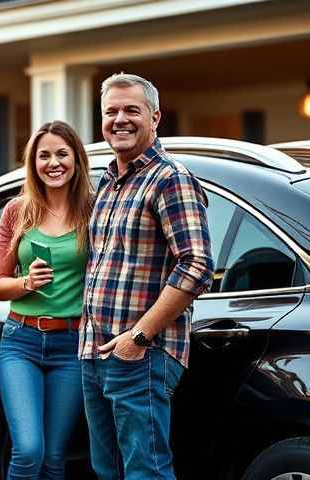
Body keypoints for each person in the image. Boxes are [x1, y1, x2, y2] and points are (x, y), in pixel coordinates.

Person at [80, 73, 214, 479]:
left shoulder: (169, 178)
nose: (120, 119)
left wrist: (138, 338)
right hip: (95, 351)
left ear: (155, 117)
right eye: (111, 111)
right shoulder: (108, 181)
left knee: (146, 472)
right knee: (110, 471)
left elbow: (197, 264)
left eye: (131, 110)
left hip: (141, 355)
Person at [0, 120, 94, 479]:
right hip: (21, 342)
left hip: (72, 344)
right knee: (28, 450)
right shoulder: (17, 211)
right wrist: (27, 283)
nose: (54, 163)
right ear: (33, 163)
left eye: (62, 154)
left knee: (54, 457)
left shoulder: (93, 211)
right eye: (44, 155)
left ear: (76, 159)